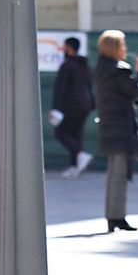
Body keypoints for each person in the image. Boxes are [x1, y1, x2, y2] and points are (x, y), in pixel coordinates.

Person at [94, 31, 138, 233]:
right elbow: (137, 91)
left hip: (110, 126)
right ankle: (116, 217)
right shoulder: (118, 70)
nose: (125, 49)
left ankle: (115, 216)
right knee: (119, 175)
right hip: (120, 127)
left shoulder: (104, 68)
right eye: (122, 45)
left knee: (115, 173)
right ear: (115, 48)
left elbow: (128, 93)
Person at [51, 36, 95, 179]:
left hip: (72, 104)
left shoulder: (67, 66)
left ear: (69, 48)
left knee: (61, 133)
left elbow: (60, 89)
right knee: (76, 134)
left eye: (65, 47)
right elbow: (90, 85)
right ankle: (75, 166)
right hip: (85, 104)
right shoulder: (84, 65)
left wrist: (56, 108)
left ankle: (80, 155)